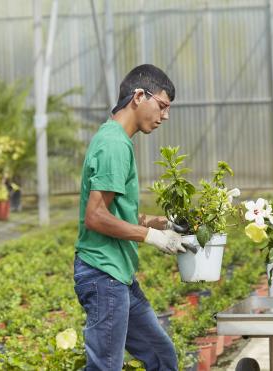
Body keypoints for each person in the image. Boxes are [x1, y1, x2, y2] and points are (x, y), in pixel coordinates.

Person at [74, 64, 187, 371]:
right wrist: (150, 238)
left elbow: (114, 212)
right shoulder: (114, 144)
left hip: (118, 276)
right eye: (162, 106)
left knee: (161, 355)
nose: (164, 116)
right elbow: (95, 217)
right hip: (103, 275)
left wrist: (157, 222)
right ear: (139, 96)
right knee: (105, 367)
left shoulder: (117, 140)